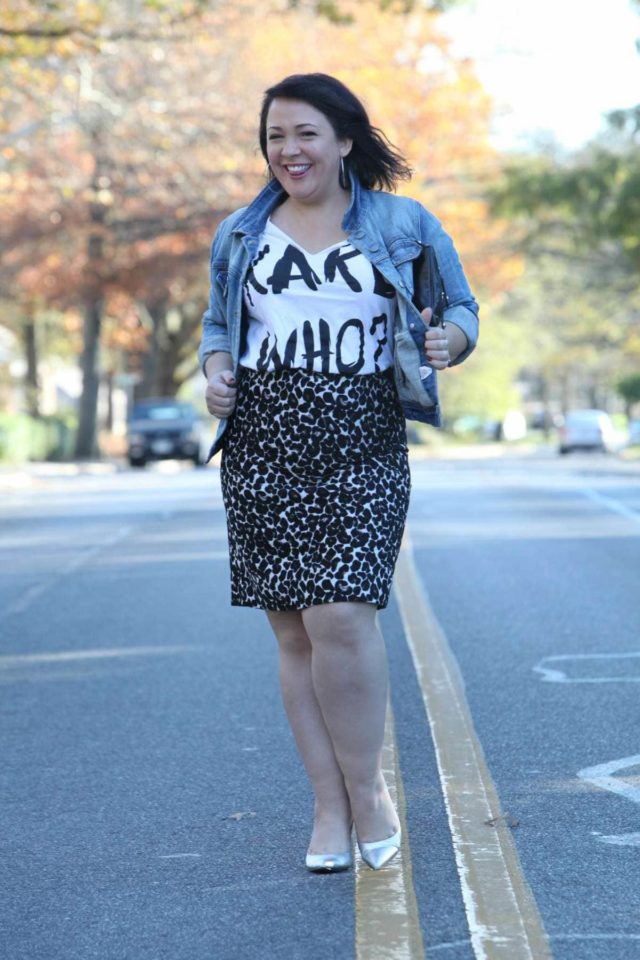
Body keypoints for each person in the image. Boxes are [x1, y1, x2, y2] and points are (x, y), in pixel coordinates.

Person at [199, 73, 478, 873]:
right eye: (276, 136)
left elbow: (460, 309)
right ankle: (328, 807)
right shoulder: (240, 234)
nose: (289, 150)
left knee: (343, 617)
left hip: (361, 437)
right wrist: (217, 371)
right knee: (292, 631)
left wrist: (446, 345)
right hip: (264, 442)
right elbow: (220, 326)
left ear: (345, 140)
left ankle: (370, 792)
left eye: (306, 134)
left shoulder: (404, 224)